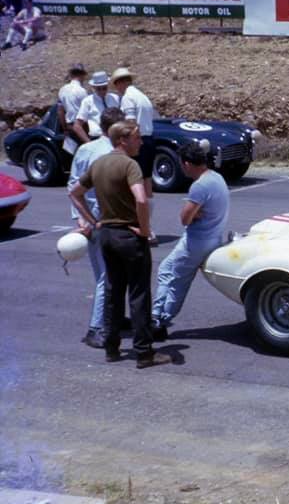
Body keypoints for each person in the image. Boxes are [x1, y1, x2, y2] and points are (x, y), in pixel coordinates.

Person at [69, 121, 169, 369]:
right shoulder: (130, 165)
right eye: (137, 137)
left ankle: (112, 348)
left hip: (107, 235)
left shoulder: (99, 164)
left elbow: (75, 193)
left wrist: (93, 222)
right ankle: (144, 353)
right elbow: (141, 199)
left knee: (113, 293)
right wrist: (144, 229)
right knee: (139, 294)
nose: (141, 142)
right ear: (123, 140)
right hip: (129, 236)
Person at [151, 142, 229, 340]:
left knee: (176, 281)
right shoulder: (217, 177)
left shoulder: (199, 186)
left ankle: (159, 321)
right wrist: (198, 213)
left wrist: (195, 213)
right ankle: (157, 315)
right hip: (212, 237)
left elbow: (184, 218)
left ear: (187, 164)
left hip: (196, 242)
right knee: (167, 271)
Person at [67, 106, 125, 349]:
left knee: (113, 274)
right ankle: (96, 328)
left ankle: (114, 317)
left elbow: (73, 185)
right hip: (104, 221)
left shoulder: (86, 150)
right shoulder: (112, 153)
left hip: (95, 219)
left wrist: (79, 218)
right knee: (107, 276)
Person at [112, 68, 157, 242]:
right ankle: (148, 225)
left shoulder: (128, 98)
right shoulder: (142, 96)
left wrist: (126, 142)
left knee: (135, 182)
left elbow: (130, 124)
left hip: (137, 141)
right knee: (147, 182)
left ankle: (142, 225)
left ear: (120, 83)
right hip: (149, 139)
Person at [74, 71, 120, 140]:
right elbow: (77, 125)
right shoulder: (87, 101)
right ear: (94, 88)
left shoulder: (115, 98)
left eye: (104, 88)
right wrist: (88, 142)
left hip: (114, 137)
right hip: (97, 137)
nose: (102, 91)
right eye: (98, 89)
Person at [58, 63, 89, 148]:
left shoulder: (62, 90)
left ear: (71, 75)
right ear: (82, 75)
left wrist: (64, 129)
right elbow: (87, 111)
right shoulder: (82, 91)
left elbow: (60, 112)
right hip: (82, 127)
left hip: (69, 126)